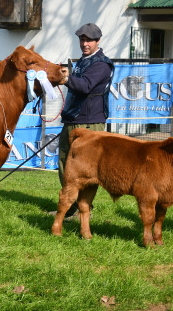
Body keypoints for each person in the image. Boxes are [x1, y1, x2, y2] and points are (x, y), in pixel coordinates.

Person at [52, 23, 114, 219]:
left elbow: (86, 86)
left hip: (90, 123)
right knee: (65, 165)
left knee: (86, 171)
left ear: (98, 41)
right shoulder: (81, 61)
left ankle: (83, 210)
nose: (85, 43)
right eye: (82, 40)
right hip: (72, 120)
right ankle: (68, 206)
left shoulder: (102, 64)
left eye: (89, 40)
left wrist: (64, 78)